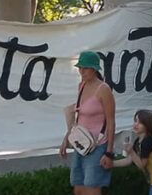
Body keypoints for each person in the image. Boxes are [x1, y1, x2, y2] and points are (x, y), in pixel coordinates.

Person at [60, 51, 116, 195]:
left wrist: (109, 152)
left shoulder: (104, 89)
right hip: (81, 142)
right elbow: (78, 117)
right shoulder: (82, 85)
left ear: (94, 69)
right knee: (78, 186)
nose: (81, 71)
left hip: (97, 144)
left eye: (85, 68)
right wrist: (67, 138)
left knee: (92, 187)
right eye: (80, 68)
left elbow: (111, 121)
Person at [113, 110, 152, 195]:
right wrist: (111, 164)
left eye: (140, 122)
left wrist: (131, 152)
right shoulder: (138, 141)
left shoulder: (148, 141)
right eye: (135, 121)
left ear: (147, 124)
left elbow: (142, 164)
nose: (136, 124)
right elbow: (129, 160)